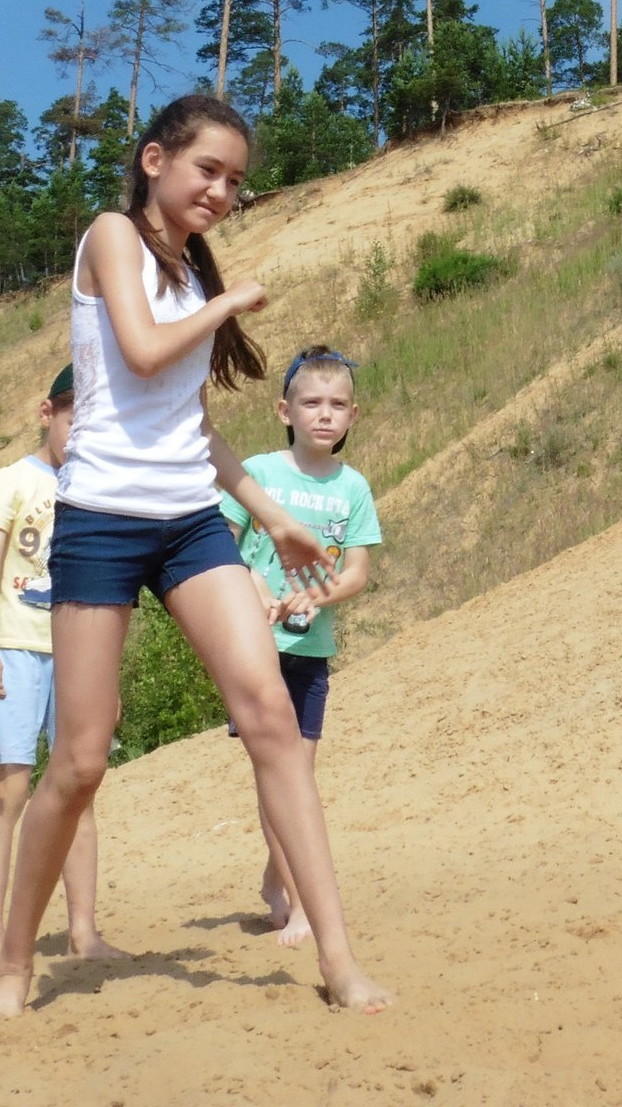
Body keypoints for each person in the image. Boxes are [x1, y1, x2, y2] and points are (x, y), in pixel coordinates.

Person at [0, 94, 390, 1018]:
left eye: (237, 181)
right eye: (210, 171)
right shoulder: (112, 236)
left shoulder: (189, 272)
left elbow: (190, 427)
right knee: (79, 763)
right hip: (102, 523)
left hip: (190, 521)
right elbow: (144, 353)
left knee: (271, 719)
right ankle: (12, 964)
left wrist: (270, 515)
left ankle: (339, 959)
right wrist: (232, 302)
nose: (223, 191)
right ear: (156, 159)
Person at [219, 345, 382, 943]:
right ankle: (302, 902)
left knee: (299, 776)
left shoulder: (353, 487)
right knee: (278, 771)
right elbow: (219, 544)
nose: (324, 414)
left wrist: (324, 597)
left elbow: (358, 569)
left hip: (311, 650)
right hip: (255, 647)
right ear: (284, 410)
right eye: (311, 402)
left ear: (353, 416)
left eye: (337, 404)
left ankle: (275, 879)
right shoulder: (259, 473)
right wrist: (255, 579)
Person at [0, 363, 121, 974]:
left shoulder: (101, 491)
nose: (81, 429)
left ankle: (83, 930)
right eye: (72, 413)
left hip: (81, 652)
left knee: (79, 790)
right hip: (16, 647)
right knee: (10, 786)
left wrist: (110, 674)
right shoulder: (12, 481)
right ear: (47, 412)